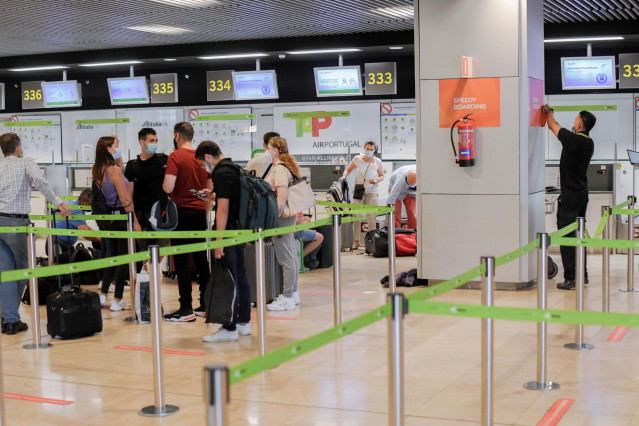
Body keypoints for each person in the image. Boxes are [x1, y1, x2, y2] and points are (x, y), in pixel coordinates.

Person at [0, 133, 71, 335]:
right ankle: (10, 318)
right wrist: (60, 203)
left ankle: (8, 319)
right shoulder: (25, 162)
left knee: (6, 273)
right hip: (16, 223)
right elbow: (40, 181)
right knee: (23, 269)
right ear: (18, 147)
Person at [195, 141, 251, 342]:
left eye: (202, 163)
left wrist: (218, 242)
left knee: (230, 278)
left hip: (229, 232)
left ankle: (229, 327)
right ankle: (244, 322)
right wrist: (213, 195)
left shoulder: (220, 173)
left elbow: (223, 209)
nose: (204, 167)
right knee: (240, 275)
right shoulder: (234, 168)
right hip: (241, 230)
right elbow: (231, 198)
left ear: (208, 156)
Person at [162, 122, 213, 322]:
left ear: (177, 136)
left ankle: (185, 309)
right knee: (201, 259)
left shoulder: (175, 157)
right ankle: (206, 304)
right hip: (200, 213)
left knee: (181, 261)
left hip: (180, 213)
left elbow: (168, 187)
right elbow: (210, 188)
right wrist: (205, 210)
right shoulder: (202, 157)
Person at [543, 104, 596, 290]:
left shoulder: (574, 141)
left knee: (567, 237)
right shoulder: (588, 142)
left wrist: (548, 112)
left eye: (576, 119)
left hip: (571, 196)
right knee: (578, 236)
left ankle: (572, 278)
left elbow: (552, 126)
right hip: (581, 194)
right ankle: (582, 276)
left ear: (580, 125)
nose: (573, 122)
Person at [93, 136, 141, 310]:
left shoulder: (98, 169)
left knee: (112, 257)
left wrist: (117, 152)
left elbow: (121, 168)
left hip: (108, 219)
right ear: (108, 150)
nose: (118, 148)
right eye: (115, 146)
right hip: (121, 216)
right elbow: (125, 199)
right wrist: (135, 221)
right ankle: (118, 299)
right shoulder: (114, 171)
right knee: (123, 259)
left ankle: (104, 295)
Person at [264, 137, 301, 310]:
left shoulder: (279, 168)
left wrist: (274, 216)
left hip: (282, 217)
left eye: (269, 147)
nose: (266, 149)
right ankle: (293, 293)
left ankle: (286, 297)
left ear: (275, 150)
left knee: (285, 256)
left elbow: (282, 194)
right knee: (291, 253)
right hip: (289, 215)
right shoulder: (287, 166)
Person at [124, 127, 169, 252]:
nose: (154, 144)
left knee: (164, 246)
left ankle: (153, 270)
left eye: (156, 140)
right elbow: (129, 196)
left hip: (162, 213)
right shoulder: (132, 165)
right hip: (142, 214)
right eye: (151, 140)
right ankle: (146, 270)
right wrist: (135, 221)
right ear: (142, 142)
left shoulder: (163, 160)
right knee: (144, 249)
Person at [341, 141, 384, 249]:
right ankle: (356, 241)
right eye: (367, 149)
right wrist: (344, 176)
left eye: (371, 149)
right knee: (356, 216)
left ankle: (371, 241)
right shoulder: (357, 159)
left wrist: (377, 180)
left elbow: (381, 175)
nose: (369, 151)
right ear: (364, 148)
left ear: (375, 150)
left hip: (372, 192)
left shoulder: (377, 161)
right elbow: (348, 169)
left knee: (371, 217)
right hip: (359, 191)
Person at [47, 188, 101, 263]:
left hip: (63, 244)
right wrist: (102, 240)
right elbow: (85, 234)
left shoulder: (76, 205)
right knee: (80, 259)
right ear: (83, 201)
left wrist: (99, 235)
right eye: (91, 204)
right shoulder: (76, 211)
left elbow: (84, 226)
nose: (92, 207)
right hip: (58, 246)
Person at [386, 165, 417, 230]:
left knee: (412, 213)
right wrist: (389, 208)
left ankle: (413, 234)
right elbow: (392, 196)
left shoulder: (424, 177)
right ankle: (395, 233)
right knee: (395, 213)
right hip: (398, 189)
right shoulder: (401, 179)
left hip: (412, 193)